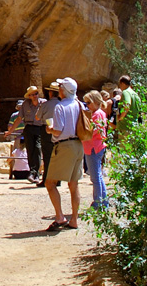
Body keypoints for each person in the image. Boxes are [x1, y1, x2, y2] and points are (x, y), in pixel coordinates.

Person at [43, 77, 84, 231]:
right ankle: (74, 220)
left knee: (50, 183)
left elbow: (58, 130)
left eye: (60, 87)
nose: (58, 89)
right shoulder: (79, 105)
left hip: (65, 146)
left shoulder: (61, 107)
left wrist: (49, 129)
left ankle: (60, 217)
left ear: (64, 90)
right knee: (74, 185)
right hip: (79, 146)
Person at [8, 86, 43, 181]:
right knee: (30, 150)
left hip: (40, 128)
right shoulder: (25, 104)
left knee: (37, 148)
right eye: (32, 95)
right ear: (29, 96)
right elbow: (19, 119)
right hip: (29, 128)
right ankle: (33, 172)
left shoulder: (43, 103)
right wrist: (10, 131)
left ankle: (36, 172)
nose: (35, 96)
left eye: (36, 94)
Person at [82, 90, 109, 208]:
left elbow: (95, 131)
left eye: (88, 102)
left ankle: (98, 202)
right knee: (98, 176)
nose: (87, 105)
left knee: (95, 177)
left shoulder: (97, 114)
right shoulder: (99, 113)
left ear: (95, 101)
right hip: (95, 147)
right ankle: (104, 201)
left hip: (94, 147)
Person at [36, 81, 62, 187]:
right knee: (58, 155)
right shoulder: (61, 105)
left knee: (47, 156)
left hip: (46, 130)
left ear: (51, 93)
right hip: (60, 131)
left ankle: (46, 179)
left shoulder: (45, 104)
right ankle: (58, 179)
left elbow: (37, 117)